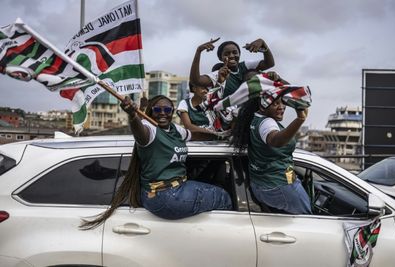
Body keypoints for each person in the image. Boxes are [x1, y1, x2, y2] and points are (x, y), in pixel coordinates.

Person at [81, 95, 232, 229]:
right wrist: (133, 115)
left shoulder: (174, 130)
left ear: (172, 112)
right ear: (151, 111)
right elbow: (140, 133)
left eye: (167, 110)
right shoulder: (150, 130)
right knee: (224, 196)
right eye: (157, 109)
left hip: (177, 188)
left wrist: (219, 136)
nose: (162, 113)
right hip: (165, 195)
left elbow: (194, 135)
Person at [231, 95, 312, 214]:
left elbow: (297, 97)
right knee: (309, 222)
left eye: (283, 103)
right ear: (262, 106)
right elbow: (275, 140)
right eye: (275, 104)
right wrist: (299, 119)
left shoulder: (256, 118)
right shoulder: (266, 123)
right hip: (279, 185)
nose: (282, 107)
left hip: (266, 183)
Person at [190, 37, 275, 99]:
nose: (231, 56)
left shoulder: (245, 65)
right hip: (229, 118)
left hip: (249, 111)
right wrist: (198, 51)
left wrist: (264, 44)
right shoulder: (219, 74)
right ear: (220, 58)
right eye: (226, 54)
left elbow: (269, 63)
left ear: (239, 54)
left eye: (235, 52)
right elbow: (196, 80)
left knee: (254, 75)